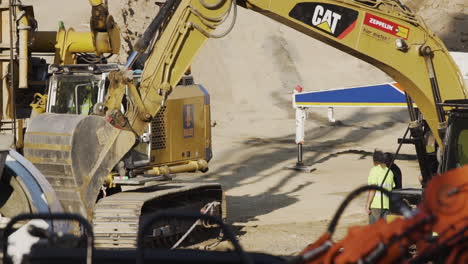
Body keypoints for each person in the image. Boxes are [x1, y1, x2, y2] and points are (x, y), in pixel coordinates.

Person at [366, 150, 395, 224]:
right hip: (386, 206)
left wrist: (368, 204)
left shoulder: (374, 170)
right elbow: (392, 187)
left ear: (374, 160)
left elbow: (373, 189)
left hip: (376, 206)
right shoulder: (390, 172)